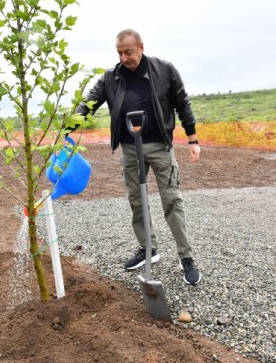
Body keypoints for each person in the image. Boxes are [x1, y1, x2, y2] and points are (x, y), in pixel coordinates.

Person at [74, 29, 202, 285]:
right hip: (130, 148)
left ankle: (186, 257)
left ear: (141, 47)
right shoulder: (111, 77)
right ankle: (148, 249)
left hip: (160, 145)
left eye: (128, 52)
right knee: (137, 200)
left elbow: (182, 103)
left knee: (172, 200)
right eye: (119, 53)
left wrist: (192, 139)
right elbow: (88, 104)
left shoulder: (164, 70)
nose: (124, 58)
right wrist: (67, 127)